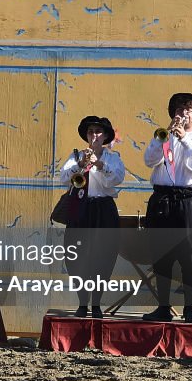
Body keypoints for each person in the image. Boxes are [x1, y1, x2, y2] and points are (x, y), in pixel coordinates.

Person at [142, 92, 192, 323]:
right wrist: (163, 138)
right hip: (163, 200)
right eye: (178, 109)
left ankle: (189, 309)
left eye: (188, 109)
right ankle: (163, 307)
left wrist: (184, 138)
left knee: (190, 257)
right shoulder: (165, 136)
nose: (182, 113)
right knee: (161, 256)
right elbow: (149, 161)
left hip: (189, 201)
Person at [59, 116, 125, 318]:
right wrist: (80, 164)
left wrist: (100, 165)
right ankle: (82, 301)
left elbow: (115, 180)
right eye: (90, 132)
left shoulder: (113, 158)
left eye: (97, 132)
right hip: (80, 209)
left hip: (103, 209)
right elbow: (63, 179)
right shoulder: (76, 155)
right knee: (76, 257)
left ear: (104, 136)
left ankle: (96, 303)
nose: (93, 135)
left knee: (103, 256)